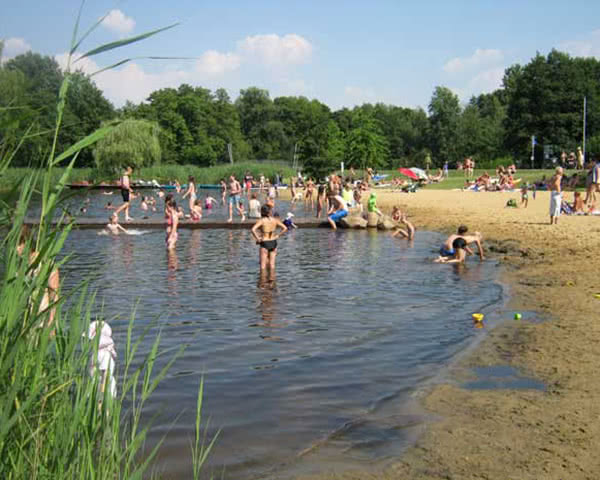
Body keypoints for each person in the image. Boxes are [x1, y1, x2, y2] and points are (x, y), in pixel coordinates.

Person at [16, 225, 60, 333]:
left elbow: (54, 293)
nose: (16, 249)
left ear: (26, 242)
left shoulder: (44, 263)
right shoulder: (18, 265)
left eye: (18, 244)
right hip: (22, 321)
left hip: (41, 318)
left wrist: (51, 321)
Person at [251, 204, 288, 276]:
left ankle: (263, 284)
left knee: (263, 267)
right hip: (273, 242)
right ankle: (272, 283)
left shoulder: (262, 220)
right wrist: (278, 235)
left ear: (263, 212)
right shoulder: (275, 220)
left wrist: (258, 238)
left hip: (264, 242)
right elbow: (285, 228)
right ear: (270, 211)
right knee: (272, 266)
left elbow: (253, 229)